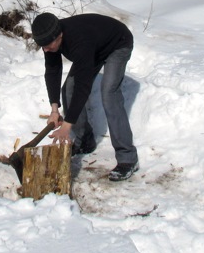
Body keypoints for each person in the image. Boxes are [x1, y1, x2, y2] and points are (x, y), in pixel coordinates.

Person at [31, 12, 139, 181]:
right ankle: (85, 141)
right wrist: (54, 109)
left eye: (47, 45)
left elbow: (84, 85)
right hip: (95, 46)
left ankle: (128, 159)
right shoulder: (49, 36)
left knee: (109, 93)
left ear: (59, 36)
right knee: (69, 89)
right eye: (42, 46)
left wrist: (66, 126)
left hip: (118, 43)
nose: (45, 49)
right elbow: (52, 71)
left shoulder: (79, 40)